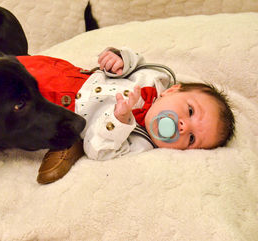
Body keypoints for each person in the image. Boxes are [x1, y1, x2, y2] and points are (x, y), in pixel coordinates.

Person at [16, 46, 235, 184]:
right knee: (13, 64)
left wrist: (119, 120)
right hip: (68, 75)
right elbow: (135, 62)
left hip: (51, 106)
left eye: (192, 139)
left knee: (2, 91)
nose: (183, 127)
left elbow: (98, 150)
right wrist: (118, 59)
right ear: (173, 90)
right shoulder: (155, 79)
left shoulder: (140, 144)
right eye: (190, 111)